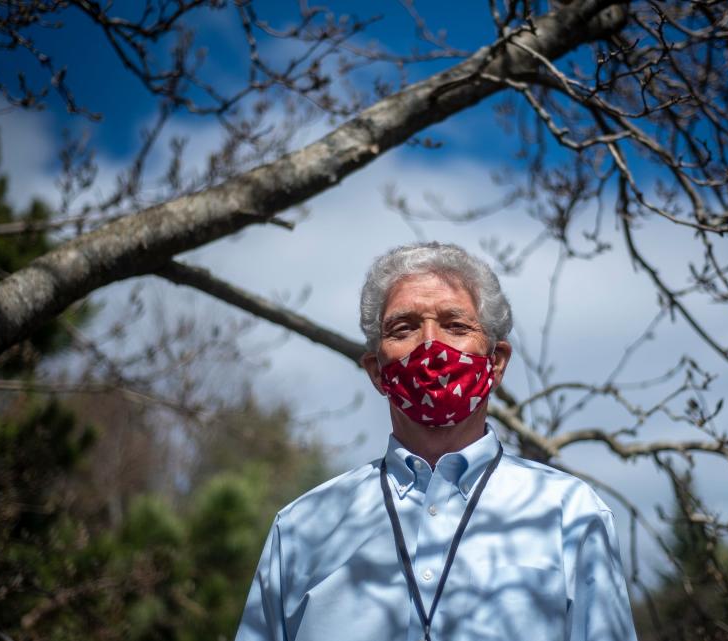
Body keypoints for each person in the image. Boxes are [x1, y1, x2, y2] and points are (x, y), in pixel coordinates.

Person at [234, 242, 639, 641]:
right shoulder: (304, 526)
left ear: (495, 363)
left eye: (456, 326)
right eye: (404, 328)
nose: (431, 346)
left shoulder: (568, 514)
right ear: (377, 371)